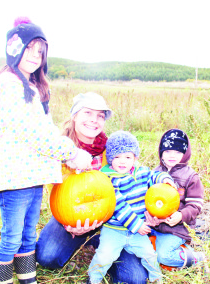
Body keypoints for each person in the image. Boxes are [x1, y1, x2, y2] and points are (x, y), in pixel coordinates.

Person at [0, 17, 92, 284]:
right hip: (13, 177)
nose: (35, 56)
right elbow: (34, 133)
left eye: (40, 52)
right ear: (14, 50)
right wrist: (72, 153)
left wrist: (69, 151)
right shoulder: (9, 87)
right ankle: (0, 279)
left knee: (28, 234)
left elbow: (46, 130)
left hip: (32, 175)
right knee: (12, 237)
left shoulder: (31, 88)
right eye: (29, 49)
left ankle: (27, 278)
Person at [36, 92, 150, 284]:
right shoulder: (58, 149)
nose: (94, 120)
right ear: (74, 116)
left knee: (134, 278)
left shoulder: (111, 148)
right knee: (48, 257)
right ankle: (85, 239)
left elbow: (135, 172)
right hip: (72, 217)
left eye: (100, 116)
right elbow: (55, 193)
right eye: (87, 113)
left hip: (115, 219)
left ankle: (103, 245)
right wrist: (69, 224)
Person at [87, 131, 176, 284]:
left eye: (128, 157)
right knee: (104, 255)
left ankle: (157, 279)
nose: (122, 162)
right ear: (109, 159)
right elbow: (117, 205)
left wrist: (165, 180)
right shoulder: (107, 178)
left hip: (137, 233)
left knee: (149, 254)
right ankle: (93, 278)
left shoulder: (141, 172)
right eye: (117, 157)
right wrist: (136, 225)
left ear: (135, 158)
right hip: (114, 230)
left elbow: (154, 176)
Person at [145, 129, 205, 269]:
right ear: (161, 153)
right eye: (167, 151)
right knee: (136, 248)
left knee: (163, 256)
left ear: (185, 154)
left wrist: (181, 215)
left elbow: (196, 205)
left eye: (177, 152)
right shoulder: (155, 173)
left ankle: (197, 258)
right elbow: (147, 199)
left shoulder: (191, 177)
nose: (172, 155)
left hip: (177, 229)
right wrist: (149, 216)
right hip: (155, 226)